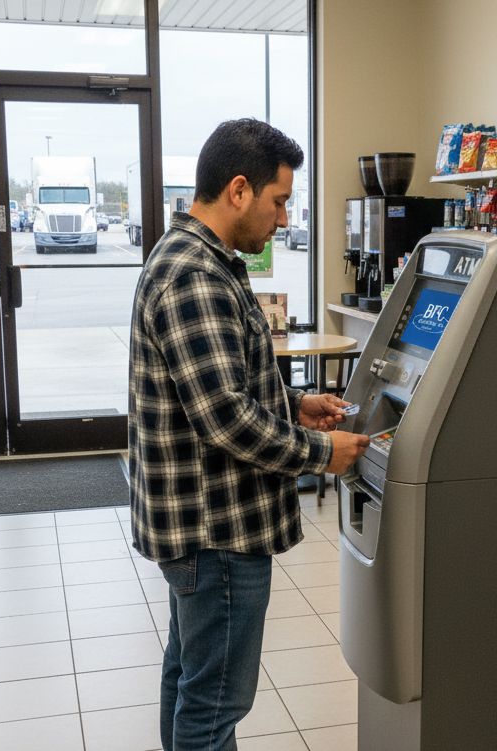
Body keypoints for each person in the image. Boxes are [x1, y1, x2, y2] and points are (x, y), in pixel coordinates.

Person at [129, 118, 370, 750]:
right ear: (239, 190)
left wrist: (294, 405)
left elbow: (221, 390)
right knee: (214, 707)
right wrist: (325, 453)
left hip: (203, 525)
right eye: (280, 200)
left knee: (190, 682)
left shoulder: (199, 259)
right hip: (218, 532)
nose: (284, 219)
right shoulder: (196, 276)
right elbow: (226, 421)